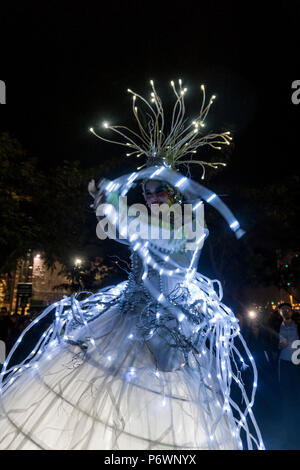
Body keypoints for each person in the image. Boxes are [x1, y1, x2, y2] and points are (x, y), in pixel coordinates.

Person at [0, 80, 264, 450]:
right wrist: (104, 204)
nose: (153, 196)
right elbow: (126, 231)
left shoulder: (190, 224)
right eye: (148, 191)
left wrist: (118, 211)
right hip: (125, 318)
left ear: (173, 192)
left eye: (159, 190)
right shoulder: (144, 218)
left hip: (169, 322)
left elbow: (156, 237)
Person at [275, 303, 300, 449]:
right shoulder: (277, 327)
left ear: (291, 311)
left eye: (287, 310)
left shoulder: (298, 326)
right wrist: (278, 346)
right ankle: (290, 435)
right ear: (279, 313)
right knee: (287, 400)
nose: (285, 312)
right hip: (284, 365)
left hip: (297, 365)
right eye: (283, 310)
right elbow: (271, 343)